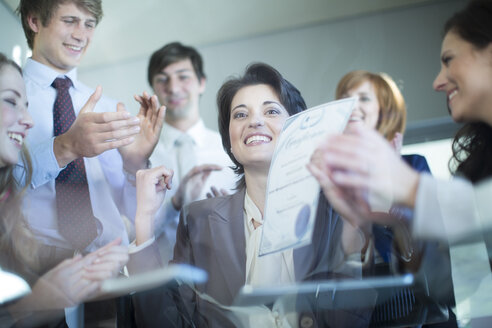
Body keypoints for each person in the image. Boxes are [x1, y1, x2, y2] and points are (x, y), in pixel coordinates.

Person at [129, 63, 371, 327]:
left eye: (271, 111)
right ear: (229, 139)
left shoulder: (336, 212)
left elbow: (352, 318)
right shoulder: (198, 220)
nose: (255, 121)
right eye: (240, 115)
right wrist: (144, 221)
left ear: (298, 128)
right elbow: (167, 323)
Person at [308, 0, 492, 323]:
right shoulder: (474, 166)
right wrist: (384, 219)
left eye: (449, 59)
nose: (437, 82)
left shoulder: (412, 167)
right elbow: (453, 285)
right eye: (345, 99)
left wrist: (405, 190)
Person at [16, 0, 164, 267]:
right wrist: (63, 148)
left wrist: (134, 167)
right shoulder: (8, 97)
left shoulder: (107, 108)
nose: (81, 35)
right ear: (35, 21)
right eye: (70, 21)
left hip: (109, 268)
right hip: (34, 268)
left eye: (89, 24)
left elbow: (131, 212)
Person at [0, 53, 128, 327]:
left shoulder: (7, 204)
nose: (29, 120)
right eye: (11, 102)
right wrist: (33, 305)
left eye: (27, 106)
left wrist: (83, 265)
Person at [335, 70, 456, 327]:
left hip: (423, 313)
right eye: (346, 98)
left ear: (385, 110)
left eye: (364, 98)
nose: (353, 105)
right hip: (360, 315)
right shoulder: (332, 181)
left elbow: (430, 254)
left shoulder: (414, 166)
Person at [147, 42, 236, 262]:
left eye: (183, 76)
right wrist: (174, 203)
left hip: (226, 274)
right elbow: (130, 234)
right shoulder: (141, 157)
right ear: (153, 89)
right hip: (162, 281)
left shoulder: (231, 149)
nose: (174, 88)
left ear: (202, 83)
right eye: (162, 79)